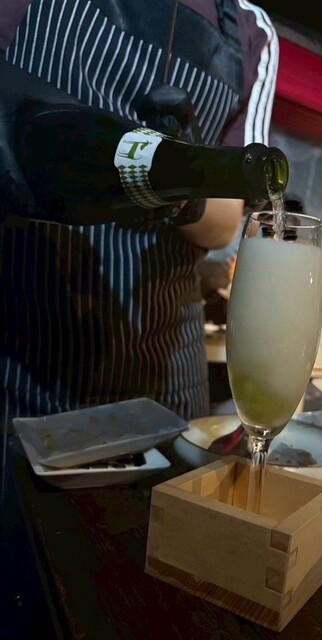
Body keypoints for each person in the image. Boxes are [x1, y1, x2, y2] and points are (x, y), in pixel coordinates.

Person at [0, 0, 280, 429]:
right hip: (16, 351)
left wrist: (182, 184)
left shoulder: (250, 29)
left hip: (159, 362)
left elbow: (226, 225)